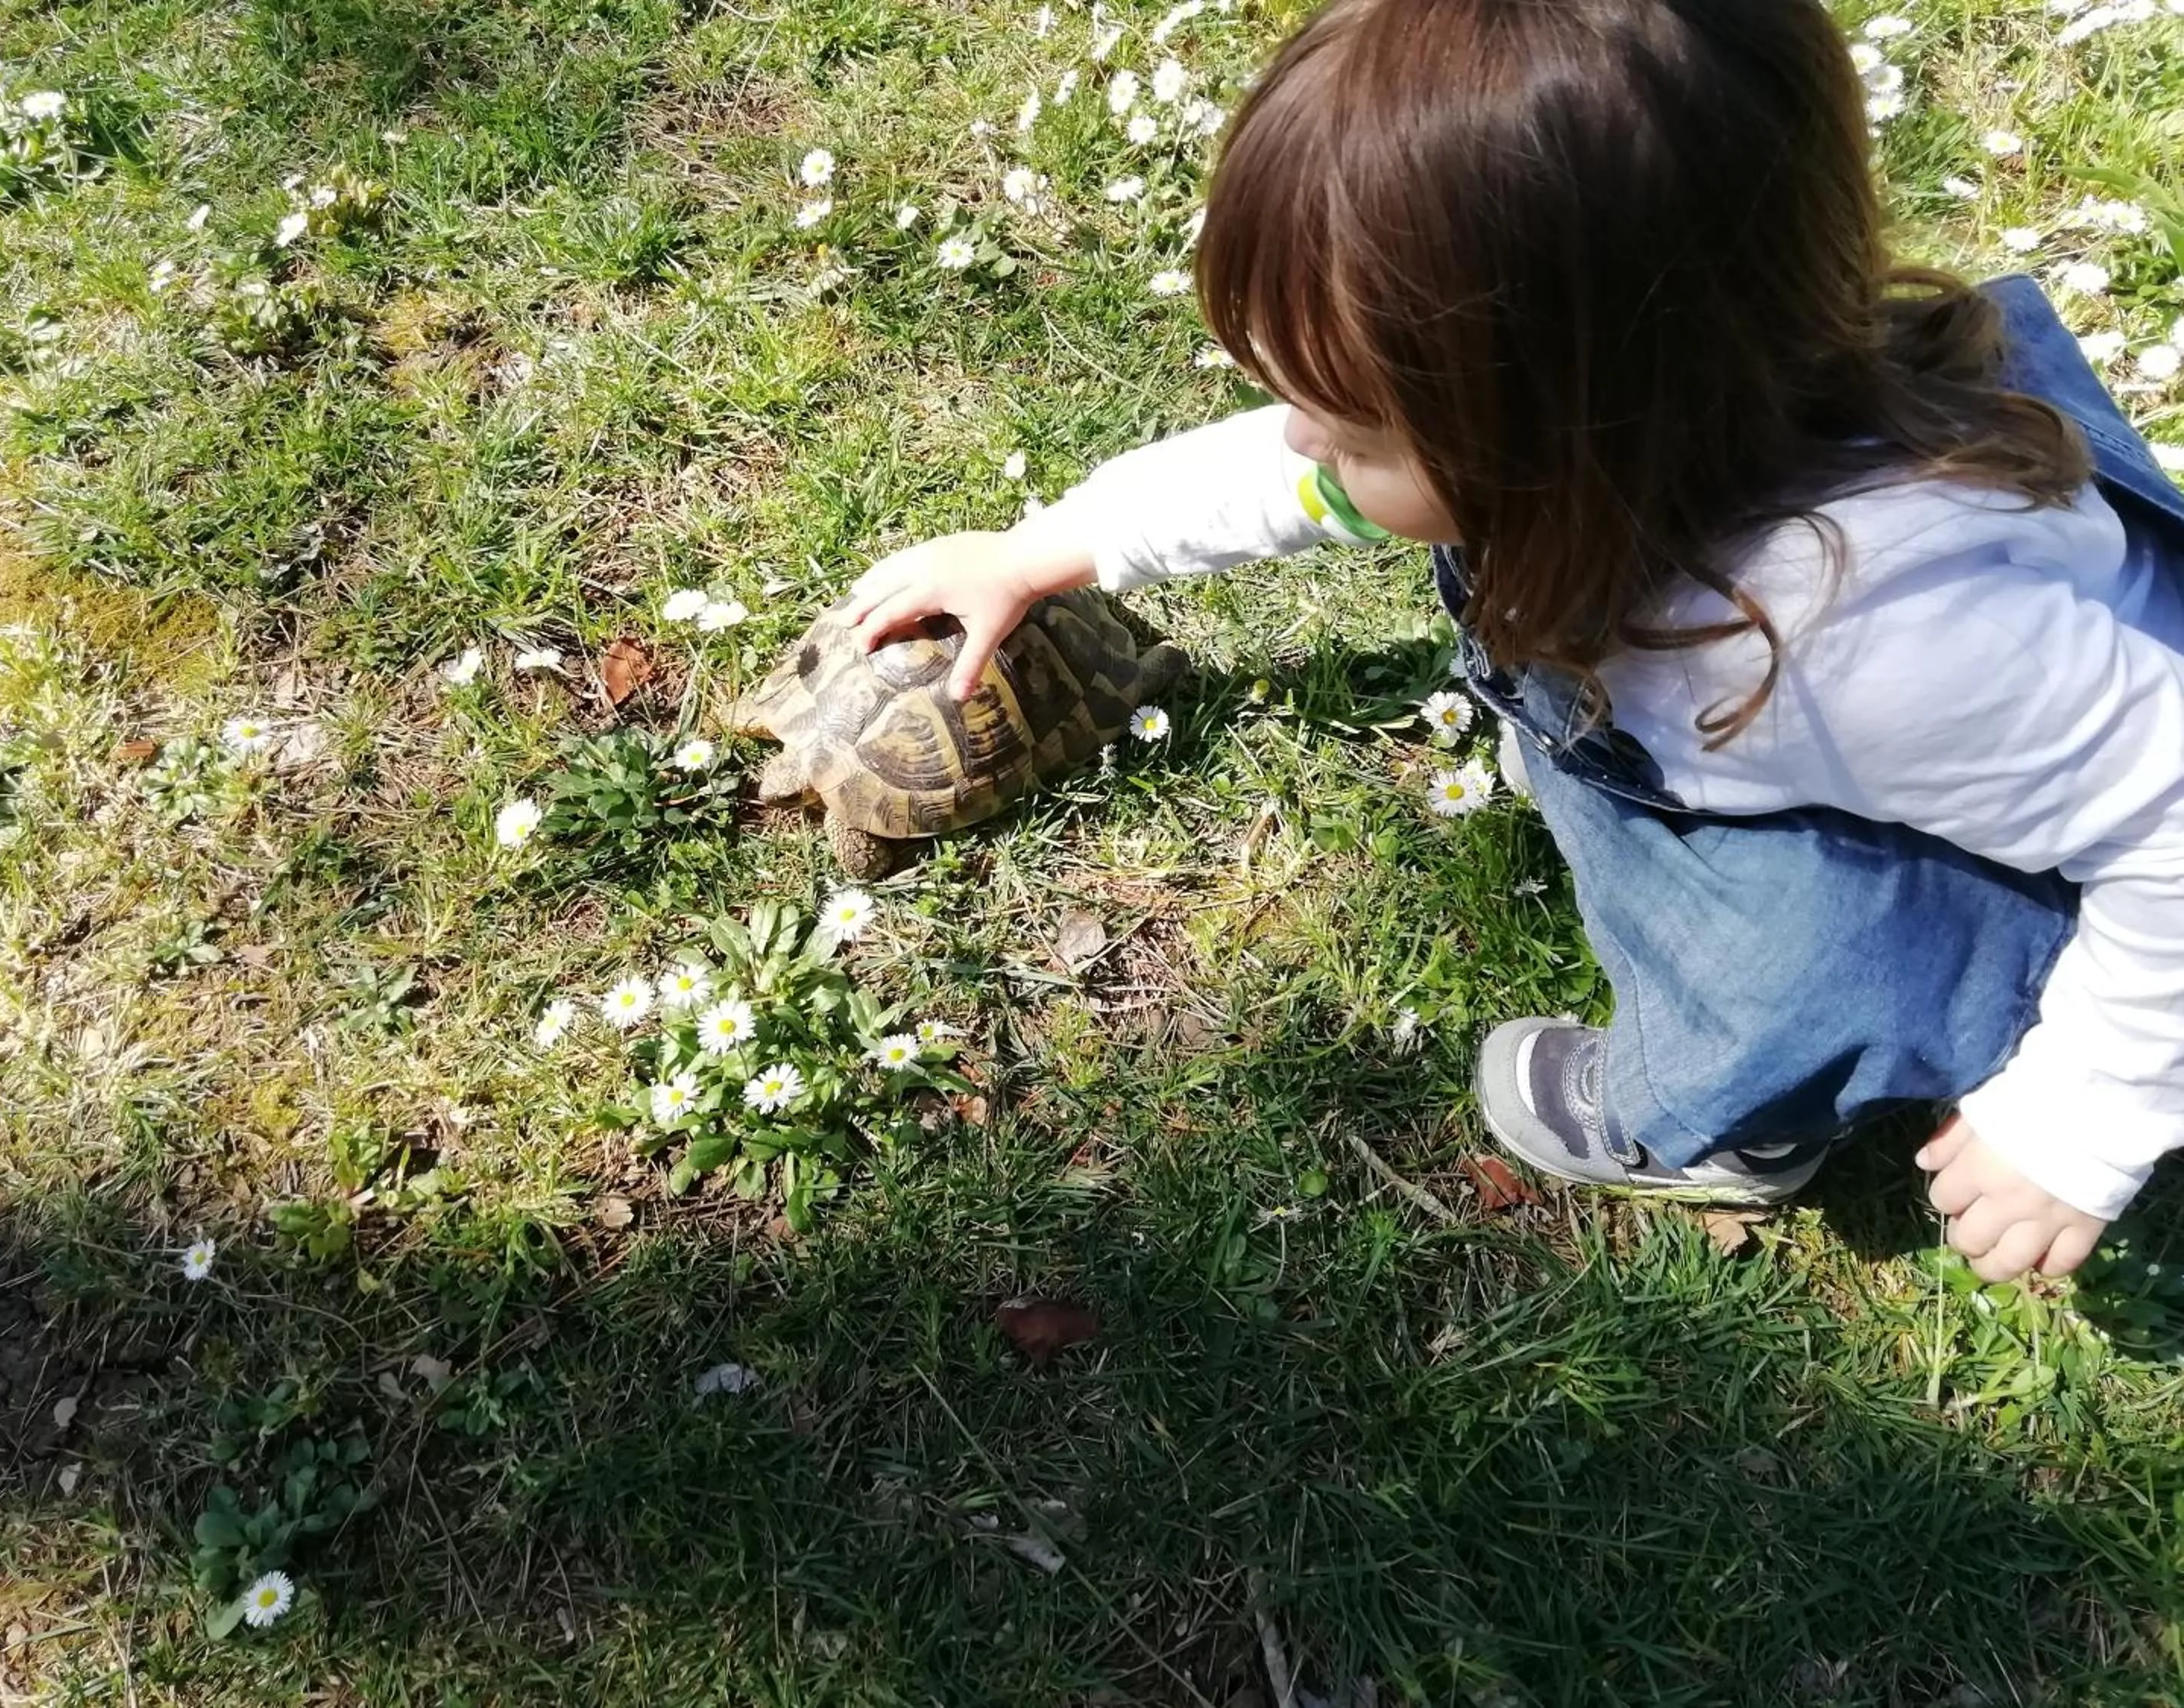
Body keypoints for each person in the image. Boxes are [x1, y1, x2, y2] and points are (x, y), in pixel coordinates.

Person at [840, 0, 2184, 1284]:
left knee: (1801, 959)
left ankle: (1737, 1111)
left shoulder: (1872, 647)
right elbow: (1289, 474)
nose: (1307, 442)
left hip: (2026, 836)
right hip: (1833, 673)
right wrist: (1047, 550)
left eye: (1357, 430)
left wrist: (2082, 1121)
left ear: (1569, 433)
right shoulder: (1622, 437)